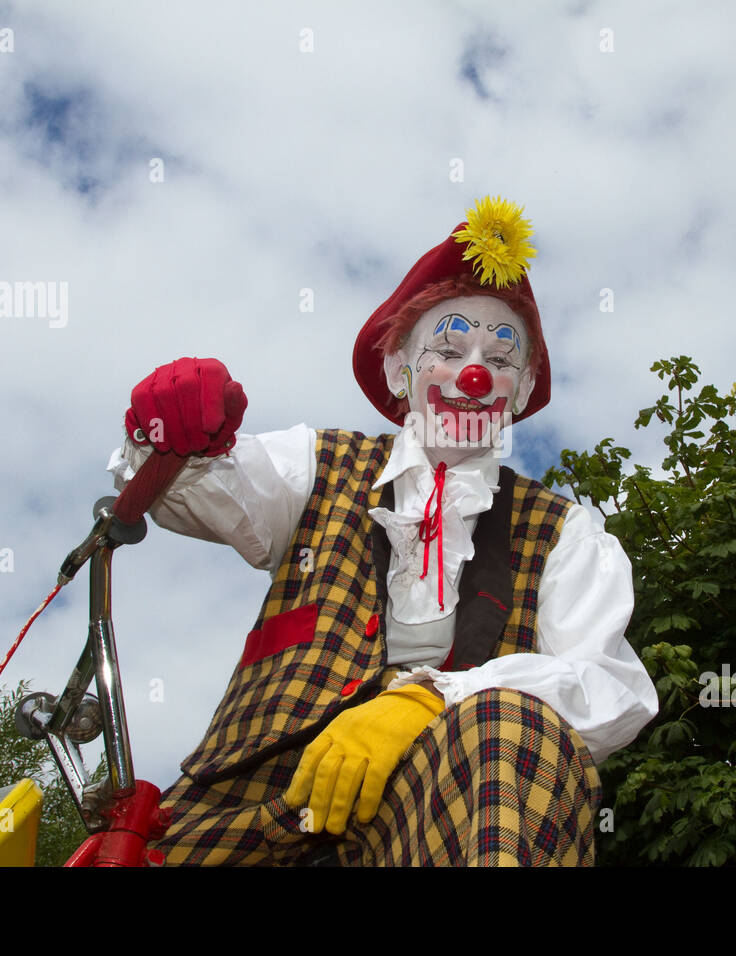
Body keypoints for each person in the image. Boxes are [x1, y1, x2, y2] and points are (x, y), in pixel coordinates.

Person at [110, 196, 658, 865]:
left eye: (501, 357)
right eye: (448, 348)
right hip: (242, 820)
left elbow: (610, 686)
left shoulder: (566, 534)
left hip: (442, 816)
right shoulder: (319, 466)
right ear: (400, 367)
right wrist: (178, 430)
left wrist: (431, 699)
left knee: (508, 727)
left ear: (522, 386)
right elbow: (204, 489)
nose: (474, 373)